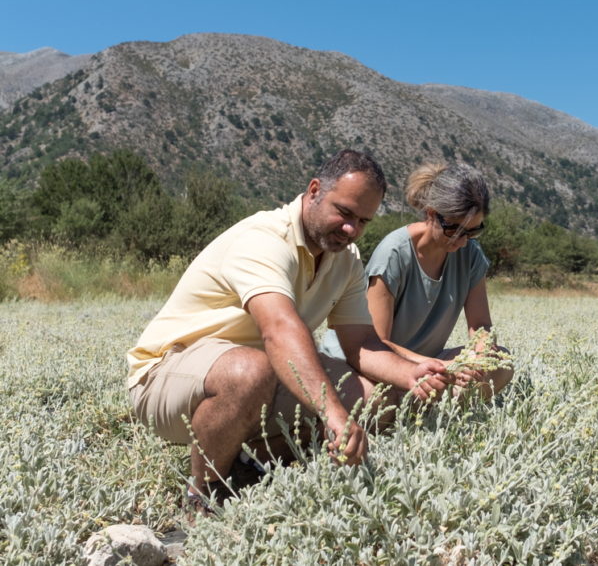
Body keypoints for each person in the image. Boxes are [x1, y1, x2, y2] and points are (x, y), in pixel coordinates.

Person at [126, 150, 451, 507]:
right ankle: (204, 494)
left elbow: (360, 342)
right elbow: (279, 331)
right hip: (167, 377)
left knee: (374, 399)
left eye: (363, 221)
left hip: (264, 374)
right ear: (314, 191)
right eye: (344, 212)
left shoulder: (347, 260)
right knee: (250, 372)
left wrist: (412, 374)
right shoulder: (263, 239)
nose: (351, 229)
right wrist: (334, 415)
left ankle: (253, 459)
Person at [358, 162, 513, 397]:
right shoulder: (393, 253)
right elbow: (378, 342)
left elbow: (480, 324)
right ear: (432, 214)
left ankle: (426, 408)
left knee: (501, 363)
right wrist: (440, 367)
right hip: (382, 363)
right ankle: (427, 407)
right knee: (374, 399)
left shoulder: (471, 254)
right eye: (456, 231)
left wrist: (481, 355)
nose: (463, 241)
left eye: (473, 231)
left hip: (430, 363)